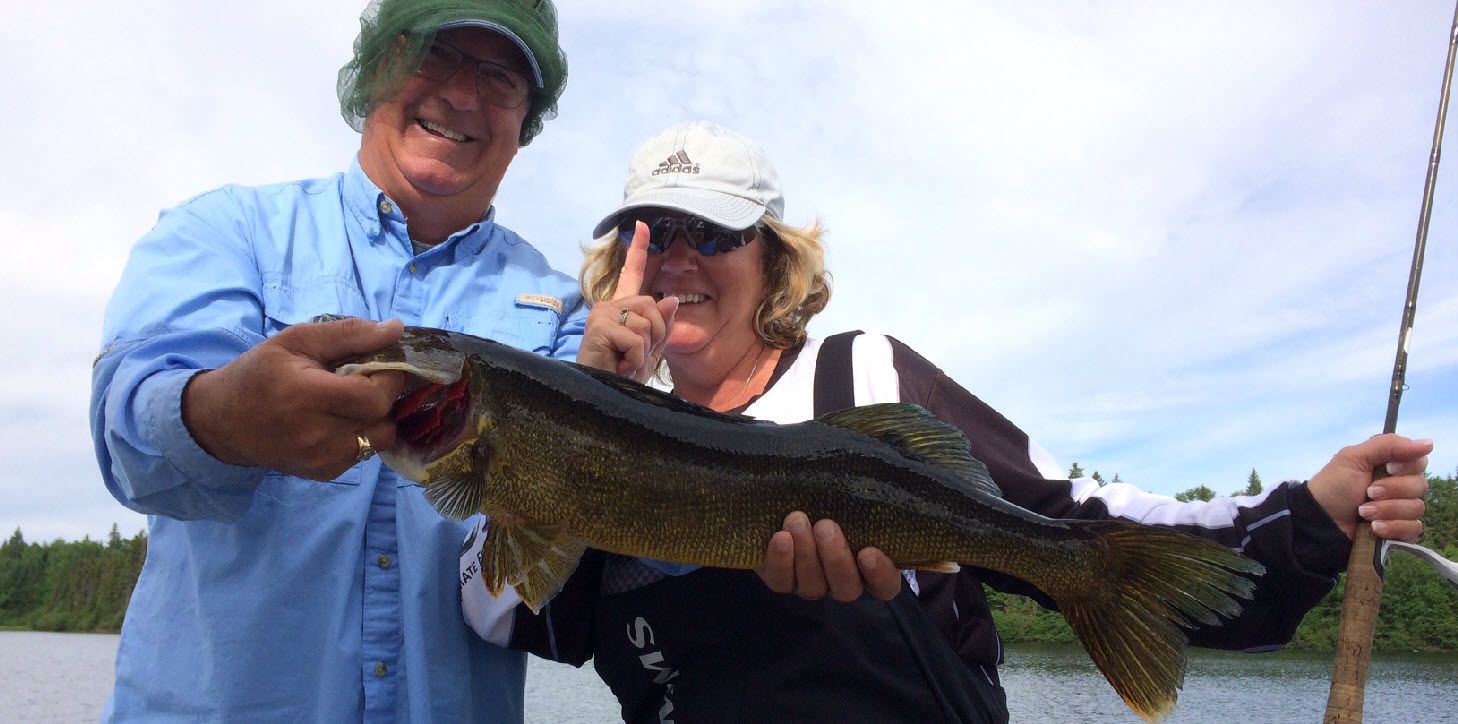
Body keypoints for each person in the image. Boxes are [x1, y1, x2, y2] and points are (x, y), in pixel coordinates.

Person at [460, 121, 1434, 722]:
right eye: (649, 234)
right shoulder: (567, 410)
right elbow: (502, 614)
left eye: (711, 232)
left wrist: (1308, 513)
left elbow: (1074, 511)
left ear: (772, 257)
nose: (676, 258)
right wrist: (591, 405)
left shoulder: (866, 374)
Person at [89, 1, 582, 720]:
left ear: (525, 120)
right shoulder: (225, 230)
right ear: (380, 63)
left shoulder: (569, 316)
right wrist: (226, 415)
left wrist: (611, 391)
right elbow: (126, 440)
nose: (463, 93)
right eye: (435, 55)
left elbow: (551, 576)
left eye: (500, 76)